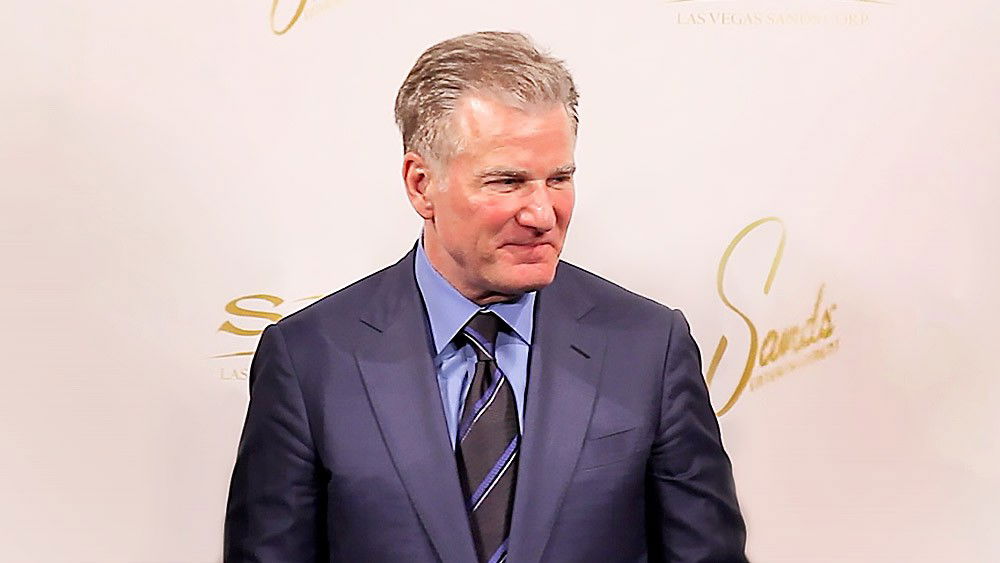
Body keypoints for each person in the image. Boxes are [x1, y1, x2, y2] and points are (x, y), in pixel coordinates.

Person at [224, 31, 747, 563]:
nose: (542, 214)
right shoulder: (308, 359)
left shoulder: (650, 346)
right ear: (421, 185)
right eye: (507, 182)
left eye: (559, 178)